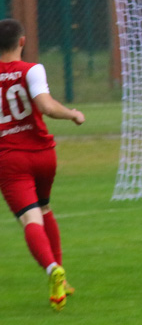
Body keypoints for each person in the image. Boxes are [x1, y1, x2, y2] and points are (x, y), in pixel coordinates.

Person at [0, 19, 85, 312]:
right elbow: (47, 107)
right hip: (43, 154)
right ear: (21, 41)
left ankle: (52, 270)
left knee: (29, 219)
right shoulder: (33, 69)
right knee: (45, 208)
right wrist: (72, 114)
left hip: (10, 158)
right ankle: (64, 275)